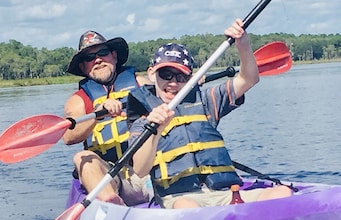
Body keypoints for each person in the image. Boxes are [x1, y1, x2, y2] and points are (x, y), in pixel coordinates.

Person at [127, 19, 292, 209]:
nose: (173, 83)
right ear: (151, 74)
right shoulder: (143, 118)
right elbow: (140, 169)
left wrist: (243, 44)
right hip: (180, 197)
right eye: (166, 75)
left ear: (191, 78)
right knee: (187, 207)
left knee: (282, 193)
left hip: (225, 192)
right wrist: (155, 129)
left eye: (181, 77)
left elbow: (249, 78)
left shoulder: (206, 101)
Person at [63, 30, 151, 206]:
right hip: (110, 176)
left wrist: (187, 83)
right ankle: (114, 205)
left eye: (102, 53)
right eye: (89, 58)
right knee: (82, 158)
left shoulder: (141, 84)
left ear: (114, 56)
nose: (97, 60)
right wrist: (97, 115)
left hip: (147, 170)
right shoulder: (79, 100)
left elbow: (170, 100)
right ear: (83, 67)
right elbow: (68, 137)